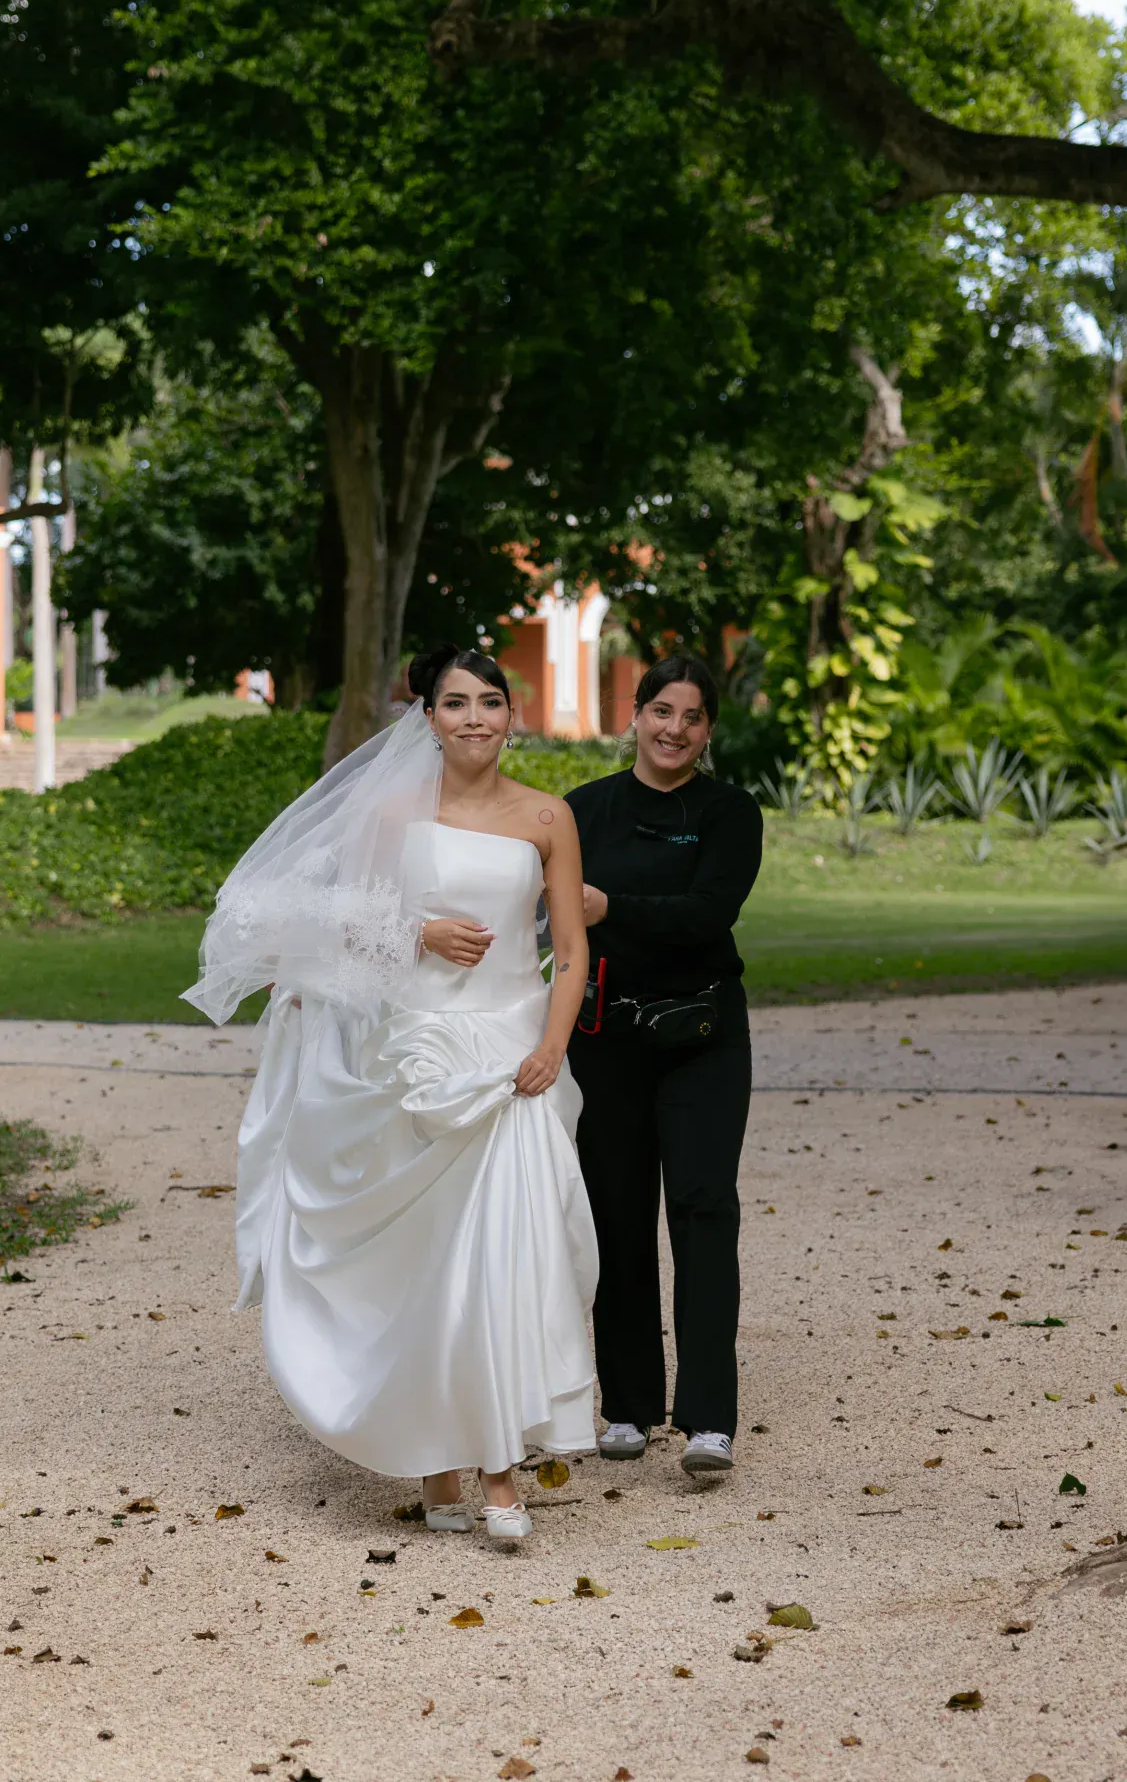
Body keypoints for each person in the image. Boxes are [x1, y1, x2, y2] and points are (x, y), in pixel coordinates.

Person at [183, 645, 597, 1546]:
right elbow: (291, 911)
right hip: (413, 1054)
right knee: (430, 1263)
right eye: (456, 703)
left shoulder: (547, 817)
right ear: (429, 718)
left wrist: (551, 1044)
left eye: (492, 701)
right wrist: (416, 929)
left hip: (514, 1055)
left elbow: (571, 948)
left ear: (512, 716)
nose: (476, 718)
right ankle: (443, 1471)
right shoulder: (392, 811)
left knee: (512, 1252)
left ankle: (500, 1466)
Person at [566, 653, 763, 1476]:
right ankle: (630, 1406)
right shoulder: (581, 811)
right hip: (605, 1040)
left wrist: (612, 908)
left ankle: (709, 1416)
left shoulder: (729, 812)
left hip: (703, 1039)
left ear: (707, 730)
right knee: (615, 1216)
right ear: (635, 715)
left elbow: (706, 915)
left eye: (691, 718)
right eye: (661, 712)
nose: (674, 730)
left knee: (703, 1208)